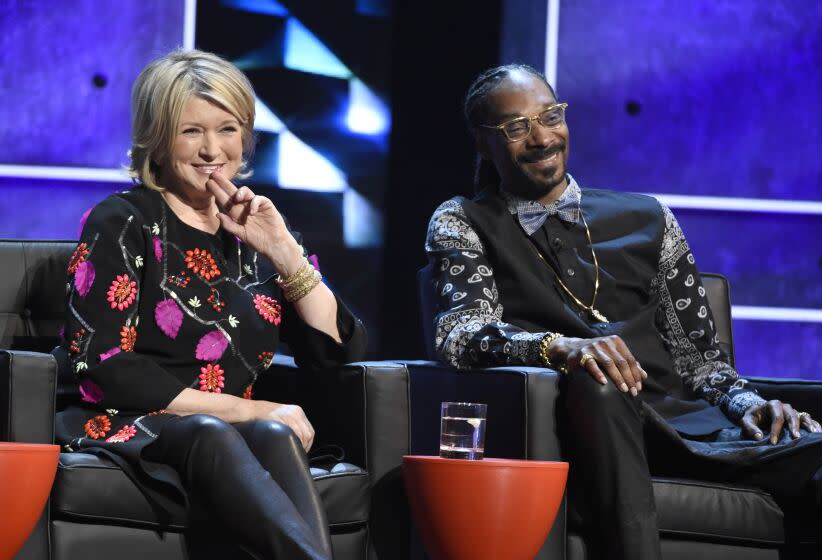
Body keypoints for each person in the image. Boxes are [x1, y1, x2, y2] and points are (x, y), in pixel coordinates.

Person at [425, 63, 822, 559]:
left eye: (550, 116)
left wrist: (750, 405)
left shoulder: (648, 216)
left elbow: (703, 363)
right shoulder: (463, 220)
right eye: (516, 126)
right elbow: (459, 334)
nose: (542, 137)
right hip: (587, 432)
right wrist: (559, 347)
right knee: (599, 381)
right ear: (483, 143)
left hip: (690, 428)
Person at [56, 49, 367, 559]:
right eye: (190, 131)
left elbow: (337, 352)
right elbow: (104, 365)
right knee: (219, 430)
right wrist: (248, 408)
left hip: (227, 429)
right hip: (121, 420)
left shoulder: (253, 227)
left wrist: (285, 253)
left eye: (227, 129)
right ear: (157, 138)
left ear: (245, 135)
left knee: (266, 433)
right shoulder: (122, 220)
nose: (211, 150)